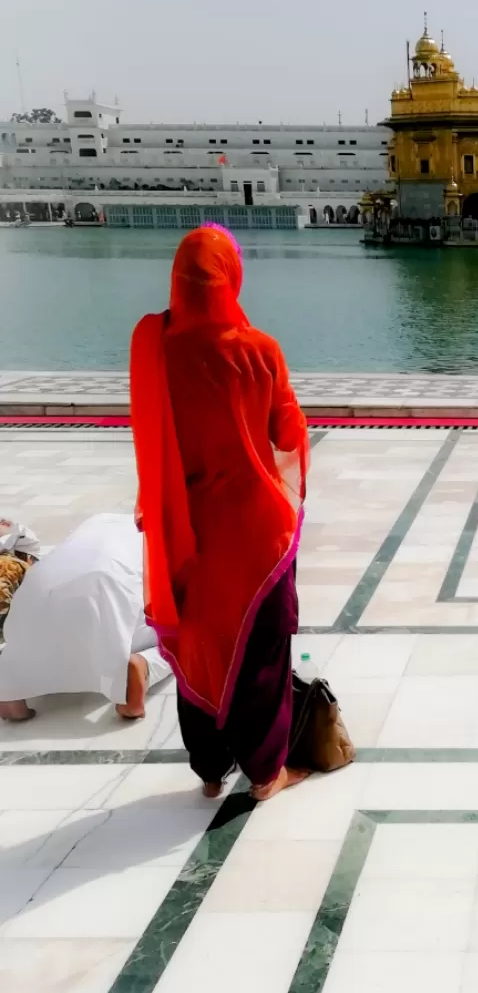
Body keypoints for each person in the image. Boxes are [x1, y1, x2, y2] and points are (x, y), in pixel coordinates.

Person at [129, 225, 311, 802]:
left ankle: (209, 770)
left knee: (198, 640)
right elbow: (287, 433)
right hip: (257, 528)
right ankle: (265, 774)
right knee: (260, 650)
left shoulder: (157, 348)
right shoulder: (260, 349)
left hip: (187, 527)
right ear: (231, 276)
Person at [0, 513, 171, 722]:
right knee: (186, 634)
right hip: (105, 599)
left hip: (35, 597)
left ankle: (11, 691)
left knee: (26, 639)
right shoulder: (157, 533)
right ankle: (145, 666)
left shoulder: (96, 522)